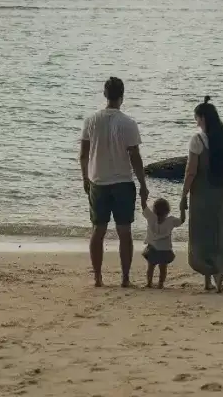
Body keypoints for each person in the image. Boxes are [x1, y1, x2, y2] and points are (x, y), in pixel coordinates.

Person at [80, 76, 149, 287]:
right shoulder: (128, 123)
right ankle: (125, 277)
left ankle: (98, 277)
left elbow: (83, 154)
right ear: (122, 96)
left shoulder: (91, 121)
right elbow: (135, 157)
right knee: (124, 232)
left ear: (104, 95)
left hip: (98, 182)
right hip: (122, 183)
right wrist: (143, 184)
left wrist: (85, 177)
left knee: (98, 231)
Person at [179, 96, 223, 292]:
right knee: (220, 233)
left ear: (203, 118)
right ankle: (219, 278)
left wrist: (184, 194)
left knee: (202, 234)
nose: (196, 122)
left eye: (196, 118)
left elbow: (191, 171)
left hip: (202, 194)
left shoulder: (197, 140)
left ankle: (206, 280)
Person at [141, 196, 184, 289]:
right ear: (168, 211)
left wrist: (143, 196)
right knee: (163, 268)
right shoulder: (171, 220)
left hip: (152, 248)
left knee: (150, 267)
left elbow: (143, 206)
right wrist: (182, 209)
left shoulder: (151, 217)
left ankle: (149, 282)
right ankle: (160, 284)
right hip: (165, 250)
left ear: (154, 209)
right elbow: (182, 220)